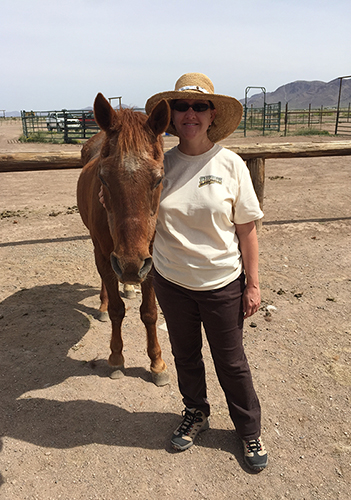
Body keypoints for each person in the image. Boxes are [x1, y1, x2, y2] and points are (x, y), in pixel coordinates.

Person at [144, 73, 268, 471]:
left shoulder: (230, 164)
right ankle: (196, 412)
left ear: (212, 114)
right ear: (172, 116)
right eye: (181, 106)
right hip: (171, 281)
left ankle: (249, 431)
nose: (190, 114)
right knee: (185, 354)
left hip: (221, 283)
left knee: (231, 362)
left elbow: (246, 230)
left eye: (199, 106)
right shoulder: (160, 164)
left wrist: (253, 285)